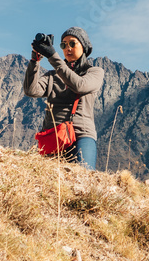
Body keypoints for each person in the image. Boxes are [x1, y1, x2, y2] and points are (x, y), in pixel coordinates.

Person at [24, 27, 104, 170]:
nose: (68, 48)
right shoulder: (52, 76)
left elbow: (79, 85)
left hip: (81, 135)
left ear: (84, 47)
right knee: (50, 184)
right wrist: (34, 61)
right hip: (53, 136)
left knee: (83, 177)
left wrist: (52, 56)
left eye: (72, 43)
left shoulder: (94, 72)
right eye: (63, 45)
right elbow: (31, 90)